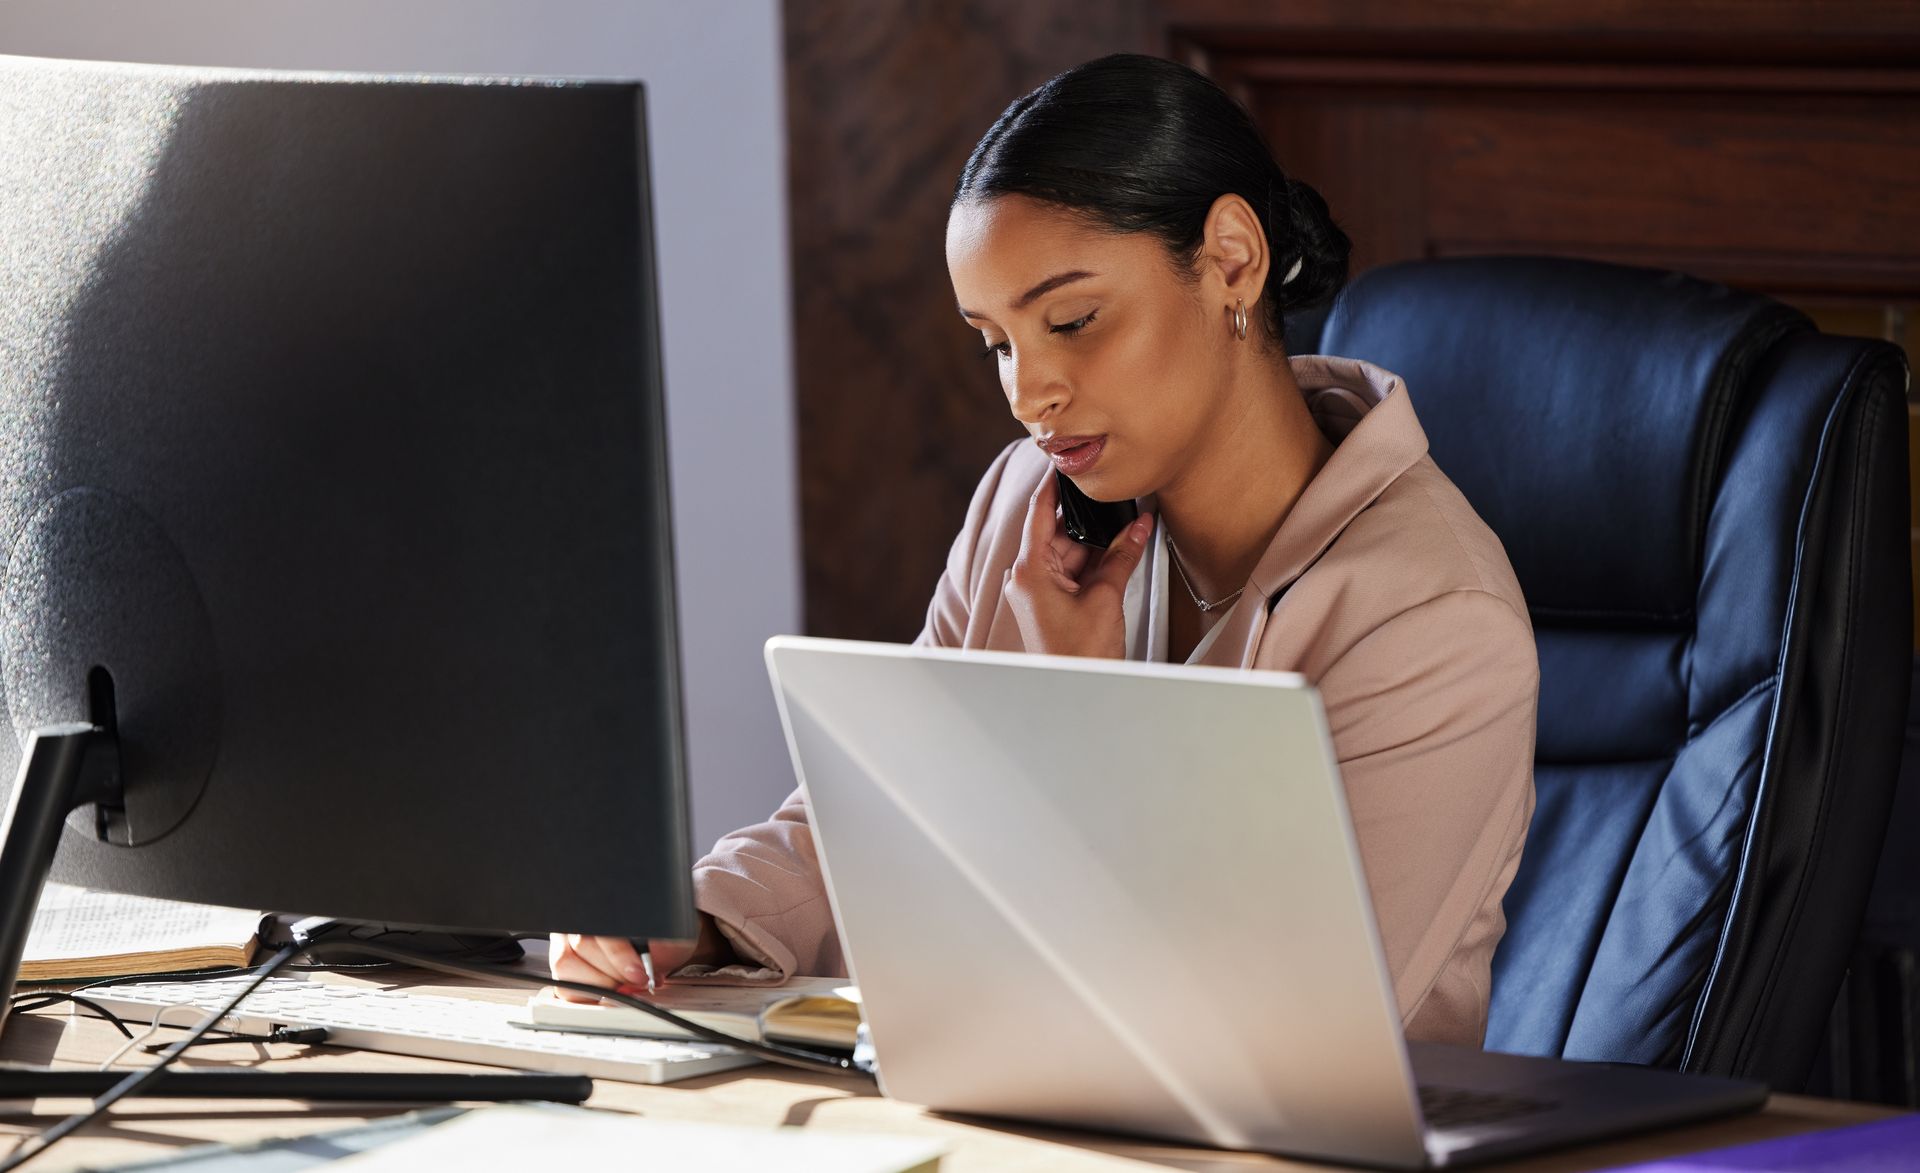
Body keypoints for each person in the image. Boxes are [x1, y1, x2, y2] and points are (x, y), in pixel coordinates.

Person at [554, 53, 1538, 1046]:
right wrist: (702, 917)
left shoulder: (1434, 620)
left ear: (1232, 259)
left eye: (1073, 321)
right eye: (996, 341)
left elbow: (1272, 1037)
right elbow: (883, 805)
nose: (1030, 396)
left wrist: (1079, 732)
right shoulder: (1031, 500)